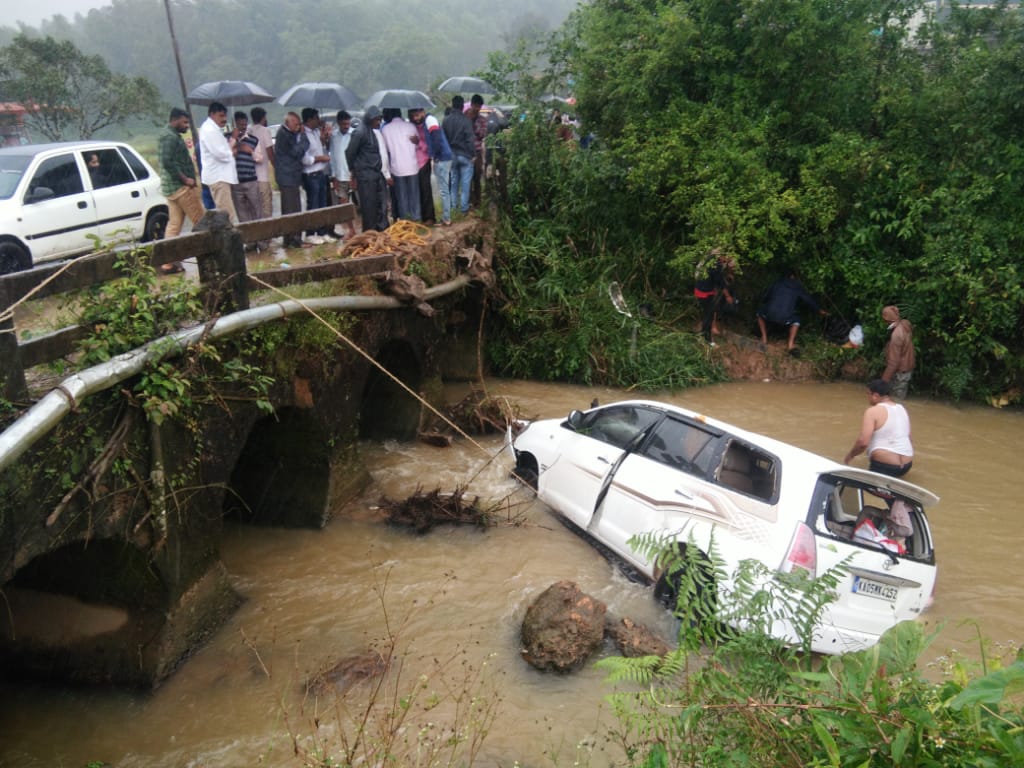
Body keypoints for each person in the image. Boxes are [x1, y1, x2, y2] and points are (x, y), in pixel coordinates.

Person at [843, 379, 914, 477]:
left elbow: (863, 442)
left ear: (875, 396)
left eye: (868, 394)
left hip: (885, 466)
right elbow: (909, 438)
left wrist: (850, 455)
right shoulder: (902, 408)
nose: (867, 397)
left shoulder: (873, 411)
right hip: (906, 465)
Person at [157, 107, 205, 246]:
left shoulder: (169, 135)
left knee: (174, 225)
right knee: (201, 221)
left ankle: (168, 262)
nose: (187, 126)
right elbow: (167, 162)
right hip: (181, 188)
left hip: (172, 189)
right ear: (174, 120)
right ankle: (207, 256)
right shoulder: (169, 137)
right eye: (184, 122)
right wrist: (185, 179)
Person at [756, 268, 827, 355]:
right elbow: (808, 300)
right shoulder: (797, 286)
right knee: (796, 321)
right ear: (793, 276)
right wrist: (819, 310)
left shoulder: (777, 282)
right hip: (785, 318)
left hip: (769, 313)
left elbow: (765, 296)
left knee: (759, 313)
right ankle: (790, 345)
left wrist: (767, 304)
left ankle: (764, 337)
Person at [346, 105, 392, 232]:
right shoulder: (359, 132)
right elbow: (350, 153)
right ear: (370, 119)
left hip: (376, 173)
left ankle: (382, 230)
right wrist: (354, 171)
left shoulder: (371, 131)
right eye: (377, 120)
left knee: (381, 205)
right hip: (365, 175)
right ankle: (370, 233)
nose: (379, 122)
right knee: (369, 206)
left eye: (380, 120)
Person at [274, 111, 310, 248]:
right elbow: (297, 152)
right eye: (296, 123)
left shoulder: (287, 133)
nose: (298, 126)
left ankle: (291, 239)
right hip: (287, 177)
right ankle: (294, 240)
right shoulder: (284, 134)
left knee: (291, 208)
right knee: (292, 209)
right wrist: (303, 137)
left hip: (290, 176)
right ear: (288, 122)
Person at [198, 101, 238, 222]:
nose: (224, 119)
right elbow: (220, 153)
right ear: (212, 114)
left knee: (227, 213)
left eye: (225, 116)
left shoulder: (213, 129)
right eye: (221, 116)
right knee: (227, 215)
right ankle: (231, 240)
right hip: (219, 177)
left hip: (221, 176)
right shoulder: (210, 130)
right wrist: (233, 143)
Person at [380, 108, 421, 222]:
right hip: (412, 165)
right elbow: (417, 145)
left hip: (397, 167)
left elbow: (386, 150)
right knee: (414, 194)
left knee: (401, 195)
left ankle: (404, 219)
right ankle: (416, 217)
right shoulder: (411, 126)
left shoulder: (386, 129)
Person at [301, 108, 334, 243]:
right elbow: (304, 158)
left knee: (322, 204)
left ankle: (322, 231)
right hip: (311, 174)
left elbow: (321, 146)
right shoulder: (303, 135)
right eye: (316, 118)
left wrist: (324, 136)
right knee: (313, 204)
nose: (318, 120)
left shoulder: (315, 132)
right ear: (309, 120)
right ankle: (310, 233)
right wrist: (319, 158)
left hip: (320, 172)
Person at [693, 248, 735, 345]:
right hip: (704, 293)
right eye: (726, 258)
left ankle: (704, 335)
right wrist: (728, 296)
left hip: (701, 289)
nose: (726, 260)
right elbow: (721, 283)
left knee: (709, 313)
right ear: (722, 256)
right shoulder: (716, 266)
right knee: (709, 315)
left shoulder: (710, 259)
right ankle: (707, 340)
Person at [442, 95, 475, 217]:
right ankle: (464, 208)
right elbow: (470, 140)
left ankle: (453, 207)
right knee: (466, 183)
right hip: (465, 155)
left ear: (452, 104)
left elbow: (443, 140)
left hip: (452, 155)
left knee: (454, 181)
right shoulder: (466, 121)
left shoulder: (446, 120)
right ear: (462, 106)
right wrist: (473, 154)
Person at [328, 110, 358, 239]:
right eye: (343, 124)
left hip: (354, 175)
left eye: (348, 124)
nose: (346, 126)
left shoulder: (355, 135)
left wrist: (355, 174)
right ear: (338, 123)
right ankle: (351, 230)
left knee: (361, 202)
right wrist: (334, 176)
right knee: (344, 204)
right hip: (340, 176)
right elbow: (333, 157)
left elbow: (357, 156)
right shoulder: (333, 137)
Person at [230, 111, 263, 230]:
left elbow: (259, 158)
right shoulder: (228, 139)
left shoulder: (253, 140)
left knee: (257, 211)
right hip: (235, 182)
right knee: (242, 214)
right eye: (240, 125)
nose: (243, 128)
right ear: (235, 124)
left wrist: (250, 151)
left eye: (245, 125)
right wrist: (234, 141)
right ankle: (249, 243)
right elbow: (226, 154)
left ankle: (262, 241)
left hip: (251, 180)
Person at [249, 106, 276, 229]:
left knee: (255, 207)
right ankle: (268, 232)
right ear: (263, 118)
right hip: (263, 176)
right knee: (266, 206)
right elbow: (270, 152)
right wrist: (276, 166)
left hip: (251, 177)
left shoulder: (248, 130)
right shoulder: (265, 131)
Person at [881, 305, 915, 400]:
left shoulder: (896, 335)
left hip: (900, 372)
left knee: (895, 401)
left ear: (887, 320)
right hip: (907, 369)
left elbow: (893, 363)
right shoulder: (905, 324)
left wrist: (883, 382)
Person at [409, 107, 435, 225]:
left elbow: (429, 146)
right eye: (413, 116)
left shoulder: (426, 126)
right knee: (417, 191)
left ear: (422, 113)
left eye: (417, 115)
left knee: (426, 190)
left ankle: (429, 217)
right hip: (414, 163)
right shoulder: (410, 126)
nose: (416, 118)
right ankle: (420, 217)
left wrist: (418, 142)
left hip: (424, 161)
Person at [467, 94, 487, 208]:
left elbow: (482, 134)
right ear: (471, 105)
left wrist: (474, 124)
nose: (477, 108)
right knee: (467, 178)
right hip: (467, 152)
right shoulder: (465, 117)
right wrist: (469, 120)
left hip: (477, 151)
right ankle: (469, 201)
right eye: (475, 106)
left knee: (477, 177)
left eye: (479, 106)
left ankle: (478, 202)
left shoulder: (482, 120)